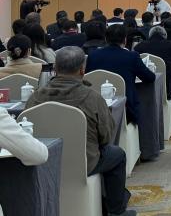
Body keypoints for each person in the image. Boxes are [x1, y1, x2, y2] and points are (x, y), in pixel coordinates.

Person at [26, 46, 136, 216]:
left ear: (55, 68)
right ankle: (116, 211)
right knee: (117, 154)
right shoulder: (93, 97)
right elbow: (106, 136)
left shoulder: (34, 98)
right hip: (85, 163)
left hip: (43, 162)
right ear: (82, 70)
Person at [86, 25, 156, 124]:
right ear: (125, 40)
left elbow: (88, 79)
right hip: (126, 109)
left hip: (95, 108)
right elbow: (150, 78)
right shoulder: (131, 56)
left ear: (106, 39)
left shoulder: (93, 55)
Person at [134, 25, 171, 131]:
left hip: (143, 86)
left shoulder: (139, 47)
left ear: (150, 35)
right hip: (167, 85)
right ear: (164, 35)